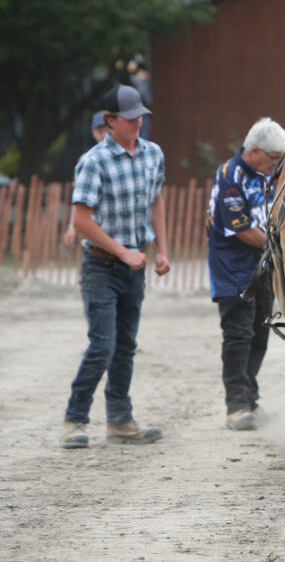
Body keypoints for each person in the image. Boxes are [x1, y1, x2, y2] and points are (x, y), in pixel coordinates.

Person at [61, 84, 170, 449]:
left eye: (140, 116)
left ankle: (120, 420)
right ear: (111, 121)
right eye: (130, 117)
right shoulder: (93, 161)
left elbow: (157, 202)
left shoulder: (153, 154)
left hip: (135, 266)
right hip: (101, 266)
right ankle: (74, 419)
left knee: (125, 345)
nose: (138, 122)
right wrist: (123, 252)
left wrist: (163, 251)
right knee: (102, 345)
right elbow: (81, 220)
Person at [206, 117, 285, 430]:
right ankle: (236, 405)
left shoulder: (269, 172)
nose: (275, 165)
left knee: (260, 333)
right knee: (238, 335)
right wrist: (281, 246)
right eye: (272, 159)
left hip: (263, 265)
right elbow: (241, 229)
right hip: (233, 267)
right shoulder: (230, 175)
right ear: (253, 150)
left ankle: (251, 399)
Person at [63, 112, 111, 248]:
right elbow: (79, 199)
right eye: (100, 131)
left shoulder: (124, 157)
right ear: (93, 133)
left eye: (108, 130)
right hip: (95, 226)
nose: (104, 135)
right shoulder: (86, 160)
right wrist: (72, 227)